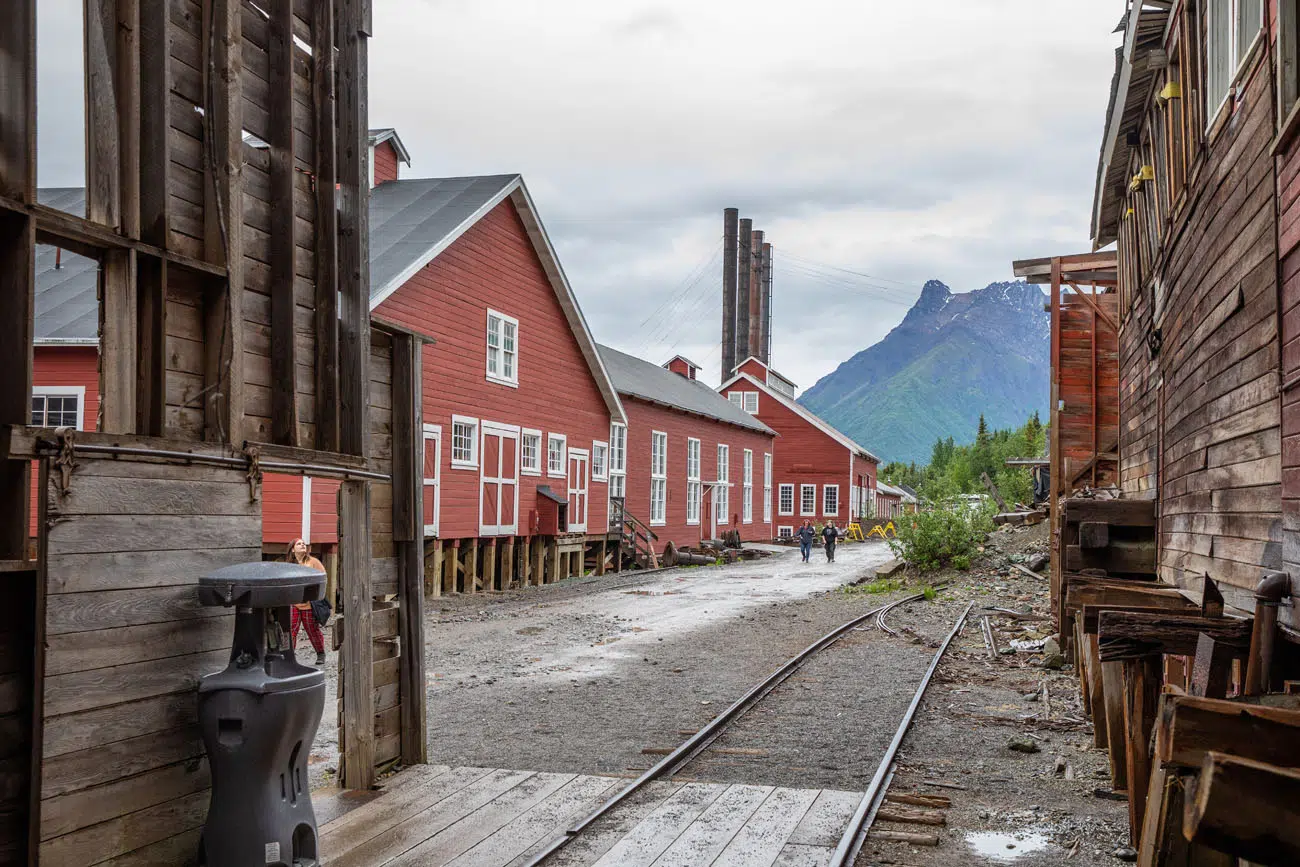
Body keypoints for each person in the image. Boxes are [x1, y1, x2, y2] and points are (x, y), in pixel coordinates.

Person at [285, 538, 328, 665]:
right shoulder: (289, 565)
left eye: (303, 543)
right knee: (291, 629)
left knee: (312, 630)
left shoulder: (313, 562)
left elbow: (323, 578)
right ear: (293, 549)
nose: (302, 545)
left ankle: (321, 654)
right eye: (299, 544)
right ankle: (289, 657)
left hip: (309, 603)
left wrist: (317, 595)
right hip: (293, 603)